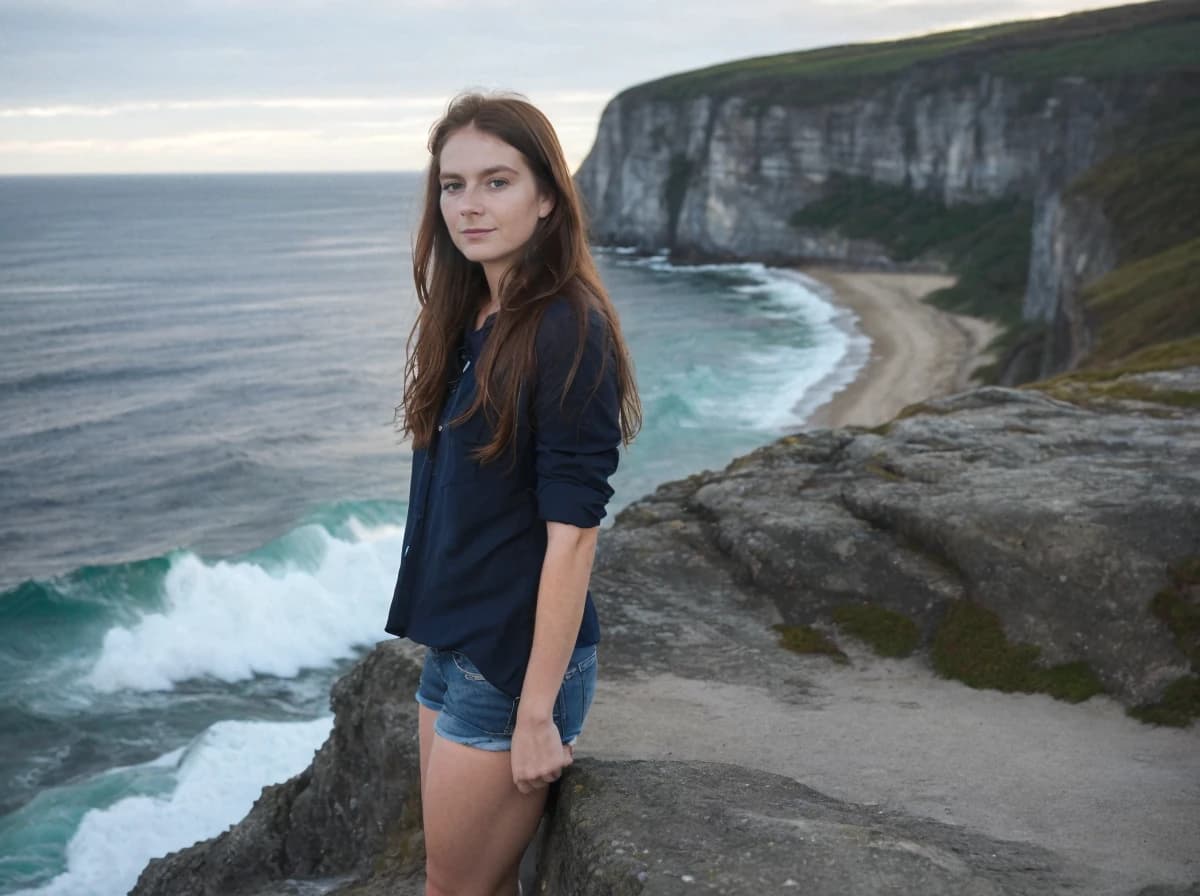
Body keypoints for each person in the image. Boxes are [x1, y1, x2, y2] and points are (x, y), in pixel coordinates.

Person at [385, 90, 642, 896]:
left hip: (508, 667)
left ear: (546, 198)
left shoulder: (566, 327)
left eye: (496, 182)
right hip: (455, 647)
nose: (469, 205)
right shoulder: (475, 316)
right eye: (453, 185)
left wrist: (536, 712)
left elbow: (573, 534)